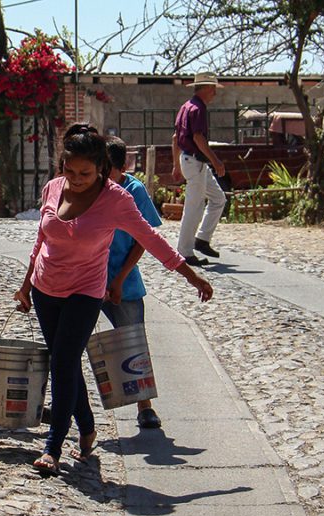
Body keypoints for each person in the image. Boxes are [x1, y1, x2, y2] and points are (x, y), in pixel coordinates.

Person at [14, 124, 213, 475]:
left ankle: (53, 447)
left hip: (86, 291)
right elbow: (41, 239)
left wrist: (189, 273)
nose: (76, 179)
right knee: (66, 363)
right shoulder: (53, 188)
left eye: (85, 173)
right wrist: (27, 284)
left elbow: (150, 239)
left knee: (62, 362)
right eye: (70, 171)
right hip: (47, 289)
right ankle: (87, 425)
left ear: (101, 169)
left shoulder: (116, 199)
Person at [104, 136, 163, 430]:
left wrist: (119, 278)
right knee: (69, 340)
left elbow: (144, 238)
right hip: (88, 278)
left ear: (122, 168)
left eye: (108, 171)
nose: (104, 177)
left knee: (133, 340)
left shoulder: (133, 190)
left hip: (123, 279)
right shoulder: (93, 186)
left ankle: (144, 406)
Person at [172, 71, 227, 266]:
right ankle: (184, 251)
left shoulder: (186, 107)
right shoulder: (198, 109)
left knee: (218, 198)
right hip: (195, 161)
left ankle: (202, 239)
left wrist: (175, 164)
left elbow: (175, 138)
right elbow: (197, 137)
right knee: (194, 208)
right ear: (205, 88)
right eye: (213, 89)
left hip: (192, 161)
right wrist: (216, 161)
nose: (214, 93)